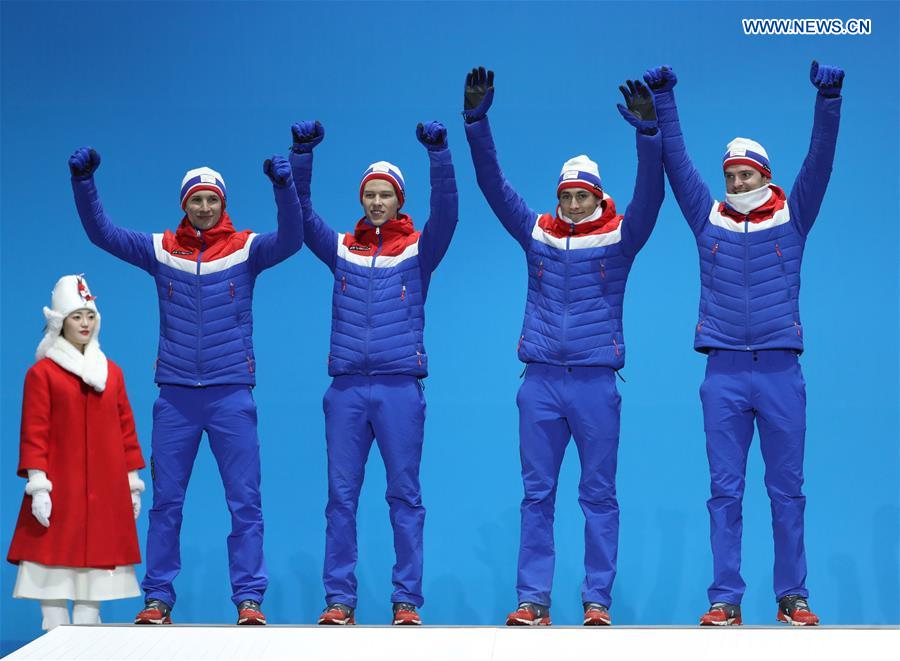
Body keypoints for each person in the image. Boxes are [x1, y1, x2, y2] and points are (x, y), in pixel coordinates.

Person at [643, 60, 843, 626]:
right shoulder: (708, 221)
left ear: (764, 176)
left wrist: (829, 100)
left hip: (780, 370)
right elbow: (677, 163)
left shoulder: (794, 215)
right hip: (724, 372)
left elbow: (820, 162)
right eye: (729, 177)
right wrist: (664, 99)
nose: (735, 185)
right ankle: (724, 599)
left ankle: (792, 597)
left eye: (744, 177)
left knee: (787, 491)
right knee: (724, 493)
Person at [462, 67, 664, 626]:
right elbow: (493, 187)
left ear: (599, 198)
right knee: (537, 497)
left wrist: (650, 137)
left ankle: (597, 600)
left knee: (599, 497)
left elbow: (652, 194)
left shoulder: (622, 237)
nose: (573, 204)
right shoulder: (539, 234)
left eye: (582, 196)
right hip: (541, 384)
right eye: (566, 196)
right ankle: (533, 600)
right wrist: (477, 124)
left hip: (597, 383)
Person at [68, 148, 304, 625]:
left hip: (231, 392)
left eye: (211, 200)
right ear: (184, 204)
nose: (203, 208)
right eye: (195, 200)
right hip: (175, 396)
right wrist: (84, 181)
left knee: (245, 502)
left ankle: (249, 599)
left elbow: (294, 239)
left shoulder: (245, 249)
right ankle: (157, 599)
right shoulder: (160, 250)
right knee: (166, 504)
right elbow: (102, 233)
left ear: (222, 204)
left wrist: (286, 187)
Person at [288, 119, 458, 626]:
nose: (378, 202)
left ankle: (406, 600)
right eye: (371, 194)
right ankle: (339, 600)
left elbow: (448, 215)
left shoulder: (418, 251)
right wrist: (302, 157)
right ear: (363, 199)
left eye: (386, 195)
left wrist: (440, 155)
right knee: (340, 499)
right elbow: (301, 217)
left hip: (400, 388)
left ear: (399, 201)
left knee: (405, 496)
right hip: (345, 391)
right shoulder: (340, 248)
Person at [8, 275, 146, 631]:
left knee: (95, 569)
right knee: (49, 564)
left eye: (89, 315)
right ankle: (53, 636)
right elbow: (34, 432)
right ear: (59, 321)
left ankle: (87, 638)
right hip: (61, 487)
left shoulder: (111, 373)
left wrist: (132, 482)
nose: (84, 323)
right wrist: (38, 485)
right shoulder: (42, 374)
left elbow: (126, 430)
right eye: (76, 316)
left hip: (103, 489)